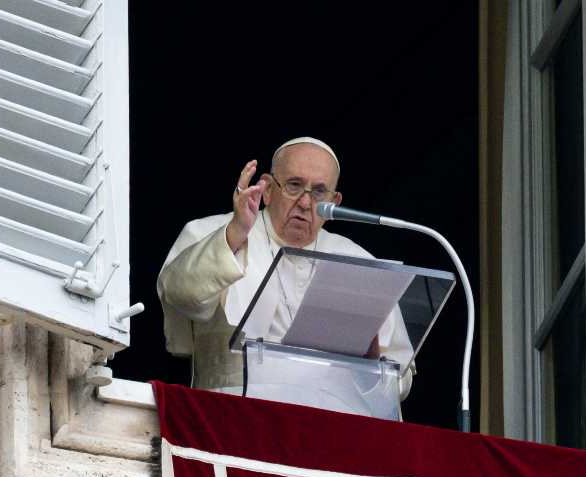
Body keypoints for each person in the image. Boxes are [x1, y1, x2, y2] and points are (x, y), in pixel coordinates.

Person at [157, 137, 413, 413]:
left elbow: (401, 378)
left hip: (334, 430)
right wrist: (233, 235)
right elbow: (180, 295)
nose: (305, 202)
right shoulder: (215, 232)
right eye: (294, 185)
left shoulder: (359, 262)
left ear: (334, 202)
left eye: (318, 192)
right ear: (267, 189)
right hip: (231, 418)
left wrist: (371, 368)